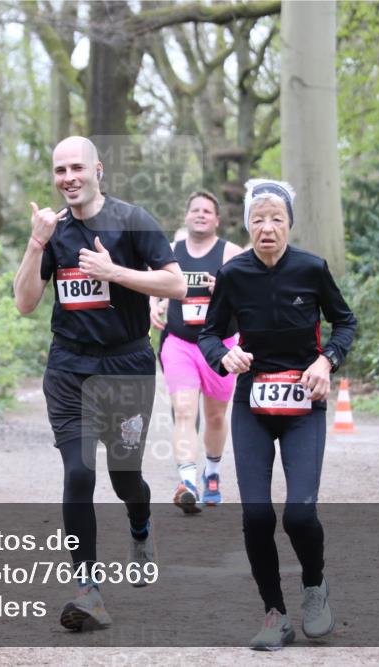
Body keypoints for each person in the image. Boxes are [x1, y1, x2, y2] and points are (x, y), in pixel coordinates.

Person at [13, 136, 186, 632]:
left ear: (98, 169)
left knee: (124, 477)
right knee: (80, 472)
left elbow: (176, 284)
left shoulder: (133, 220)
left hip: (127, 367)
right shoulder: (54, 231)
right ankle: (88, 591)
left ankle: (140, 522)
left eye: (76, 168)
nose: (68, 178)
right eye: (59, 170)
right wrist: (35, 242)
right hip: (69, 370)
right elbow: (25, 303)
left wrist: (114, 271)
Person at [198, 178, 357, 650]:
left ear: (289, 223)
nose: (267, 227)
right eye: (258, 219)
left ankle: (314, 588)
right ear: (247, 224)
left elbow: (344, 321)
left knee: (300, 514)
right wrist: (223, 357)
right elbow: (210, 333)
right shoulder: (235, 275)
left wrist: (326, 360)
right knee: (256, 515)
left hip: (304, 404)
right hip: (253, 404)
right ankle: (274, 613)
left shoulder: (311, 269)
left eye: (276, 218)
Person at [149, 191, 241, 513]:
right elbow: (153, 284)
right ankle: (187, 482)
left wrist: (226, 292)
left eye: (207, 211)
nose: (201, 214)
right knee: (185, 410)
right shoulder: (170, 252)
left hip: (220, 346)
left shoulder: (231, 252)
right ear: (186, 217)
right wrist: (154, 304)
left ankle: (212, 474)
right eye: (195, 210)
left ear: (216, 219)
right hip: (180, 344)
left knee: (215, 416)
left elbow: (250, 297)